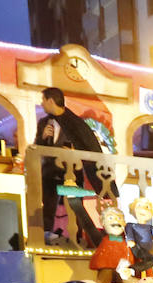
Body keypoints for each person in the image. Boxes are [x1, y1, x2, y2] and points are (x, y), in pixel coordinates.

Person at [34, 87, 104, 243]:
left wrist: (74, 150)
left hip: (72, 171)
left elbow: (86, 146)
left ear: (51, 101)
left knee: (74, 204)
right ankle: (46, 233)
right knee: (48, 202)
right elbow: (37, 146)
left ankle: (78, 237)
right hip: (51, 171)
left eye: (43, 100)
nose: (42, 104)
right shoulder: (44, 122)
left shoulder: (74, 123)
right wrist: (43, 137)